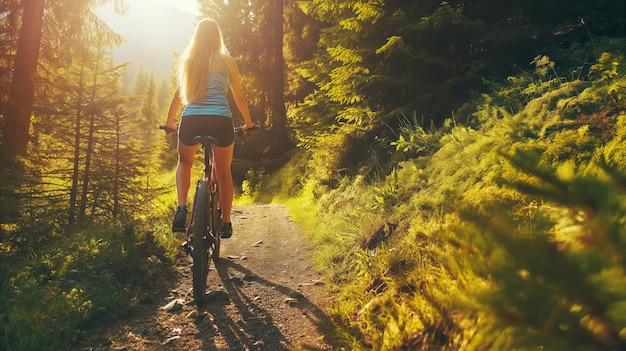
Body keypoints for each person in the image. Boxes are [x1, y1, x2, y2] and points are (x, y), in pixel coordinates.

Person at [163, 19, 254, 237]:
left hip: (192, 119)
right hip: (220, 121)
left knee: (185, 162)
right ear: (217, 37)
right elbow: (238, 97)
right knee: (223, 173)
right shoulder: (227, 61)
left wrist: (169, 122)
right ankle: (225, 223)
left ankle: (182, 208)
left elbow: (178, 95)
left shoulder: (188, 60)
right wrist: (248, 122)